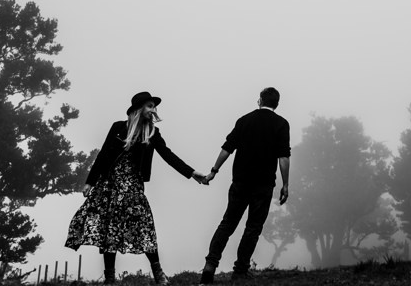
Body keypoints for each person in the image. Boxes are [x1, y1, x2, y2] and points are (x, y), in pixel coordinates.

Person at [65, 91, 209, 284]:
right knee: (110, 230)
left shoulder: (152, 133)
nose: (153, 110)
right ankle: (109, 278)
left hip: (133, 188)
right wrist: (90, 181)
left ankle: (158, 273)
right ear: (139, 109)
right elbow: (103, 154)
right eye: (150, 106)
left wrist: (191, 173)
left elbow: (168, 155)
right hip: (110, 186)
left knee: (145, 226)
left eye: (154, 106)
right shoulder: (118, 127)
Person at [199, 87, 291, 283]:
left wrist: (213, 171)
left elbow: (227, 148)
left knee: (227, 224)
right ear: (276, 104)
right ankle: (240, 270)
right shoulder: (281, 124)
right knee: (253, 228)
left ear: (260, 101)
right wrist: (285, 185)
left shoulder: (244, 120)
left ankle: (210, 266)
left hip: (240, 182)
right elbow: (283, 157)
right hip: (263, 185)